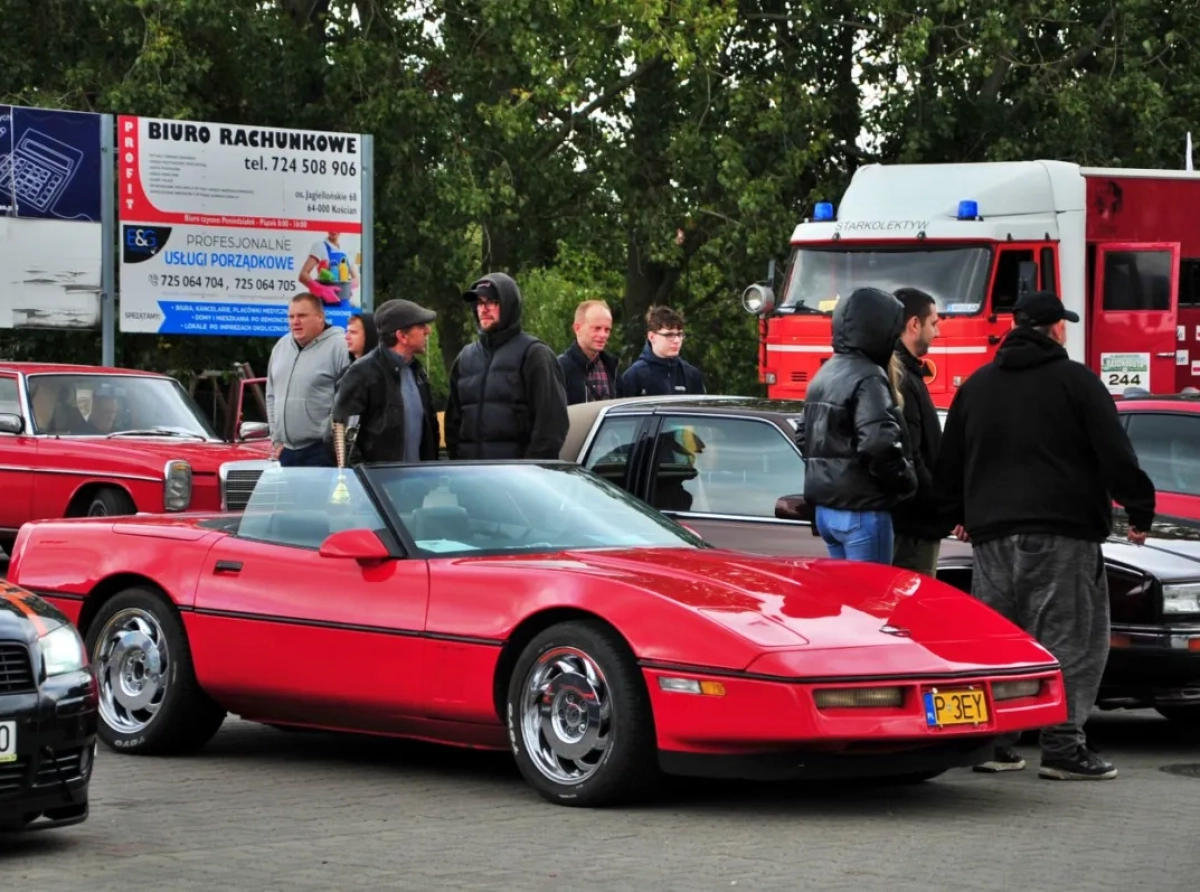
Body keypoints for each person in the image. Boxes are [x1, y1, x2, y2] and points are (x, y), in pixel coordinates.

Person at [934, 290, 1156, 781]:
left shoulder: (977, 386)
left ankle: (994, 742)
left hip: (991, 537)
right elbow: (1115, 454)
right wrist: (1139, 509)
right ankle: (1063, 747)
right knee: (1072, 639)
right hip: (1064, 534)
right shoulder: (1077, 382)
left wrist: (953, 513)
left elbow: (950, 462)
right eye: (1064, 325)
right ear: (1056, 328)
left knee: (1002, 641)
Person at [800, 287, 917, 563]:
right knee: (871, 602)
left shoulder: (825, 372)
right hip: (862, 510)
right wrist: (905, 482)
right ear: (877, 328)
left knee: (846, 600)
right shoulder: (869, 376)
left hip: (827, 510)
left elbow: (804, 436)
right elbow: (878, 443)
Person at [445, 272, 569, 460]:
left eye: (492, 302)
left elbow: (551, 425)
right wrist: (457, 471)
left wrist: (529, 473)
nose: (483, 309)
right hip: (469, 480)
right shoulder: (465, 358)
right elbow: (453, 425)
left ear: (509, 305)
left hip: (517, 481)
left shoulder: (534, 354)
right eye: (479, 302)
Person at [330, 299, 439, 465]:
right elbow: (339, 437)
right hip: (376, 486)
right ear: (402, 336)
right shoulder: (361, 374)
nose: (428, 331)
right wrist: (366, 479)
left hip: (416, 484)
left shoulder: (417, 371)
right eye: (421, 326)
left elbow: (430, 428)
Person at [889, 288, 945, 576]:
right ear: (914, 324)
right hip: (915, 524)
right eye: (933, 323)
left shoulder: (906, 373)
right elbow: (912, 454)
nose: (937, 332)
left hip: (914, 519)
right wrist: (938, 503)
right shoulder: (901, 377)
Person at [266, 293, 350, 466]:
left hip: (322, 451)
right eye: (291, 316)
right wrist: (277, 439)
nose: (295, 321)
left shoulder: (340, 346)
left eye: (302, 316)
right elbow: (271, 396)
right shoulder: (281, 347)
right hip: (286, 452)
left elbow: (350, 401)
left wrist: (336, 447)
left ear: (320, 317)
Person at [619, 306, 705, 396]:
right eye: (669, 335)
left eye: (679, 334)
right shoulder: (634, 376)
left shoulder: (691, 374)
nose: (677, 340)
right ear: (651, 337)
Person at [558, 299, 623, 404]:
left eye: (607, 330)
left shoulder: (612, 368)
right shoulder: (561, 368)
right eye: (596, 328)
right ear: (577, 328)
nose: (603, 335)